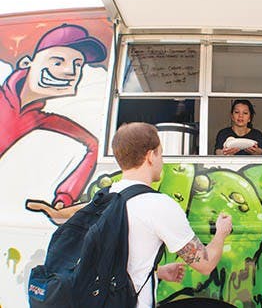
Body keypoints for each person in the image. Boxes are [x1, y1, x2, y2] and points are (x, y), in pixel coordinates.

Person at [111, 122, 233, 308]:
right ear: (151, 156)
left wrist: (157, 272)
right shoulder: (157, 205)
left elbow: (115, 263)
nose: (163, 161)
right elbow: (205, 264)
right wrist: (221, 233)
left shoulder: (103, 197)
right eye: (161, 153)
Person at [1, 24, 107, 221]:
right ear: (26, 63)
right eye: (58, 62)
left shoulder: (42, 119)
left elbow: (93, 145)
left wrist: (64, 198)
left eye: (77, 65)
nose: (70, 72)